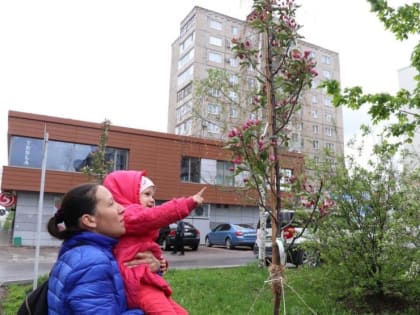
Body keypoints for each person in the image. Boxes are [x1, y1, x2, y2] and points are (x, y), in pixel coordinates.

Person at [47, 183, 161, 314]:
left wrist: (152, 269)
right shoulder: (92, 262)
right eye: (111, 203)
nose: (122, 209)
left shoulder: (81, 251)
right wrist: (152, 309)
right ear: (89, 220)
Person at [104, 170, 206, 315]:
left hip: (147, 279)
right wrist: (187, 204)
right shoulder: (127, 214)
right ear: (126, 193)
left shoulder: (133, 222)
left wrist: (160, 262)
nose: (152, 200)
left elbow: (145, 246)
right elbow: (155, 216)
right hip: (139, 283)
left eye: (152, 195)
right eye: (146, 194)